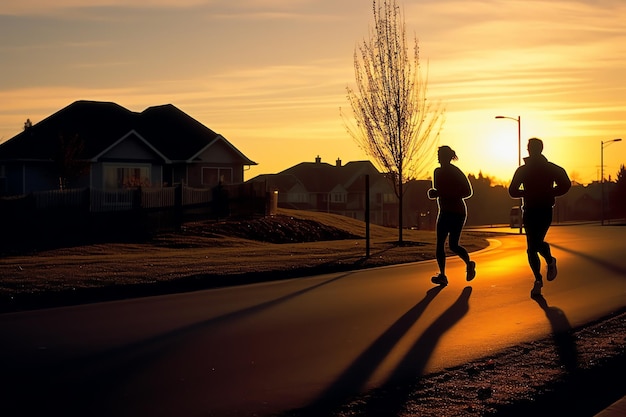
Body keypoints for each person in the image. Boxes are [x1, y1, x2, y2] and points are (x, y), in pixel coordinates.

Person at [509, 137, 571, 297]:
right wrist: (526, 193)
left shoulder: (551, 168)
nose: (530, 150)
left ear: (539, 149)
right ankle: (538, 280)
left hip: (544, 210)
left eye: (532, 147)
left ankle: (550, 260)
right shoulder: (522, 170)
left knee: (535, 243)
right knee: (531, 249)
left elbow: (566, 184)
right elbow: (512, 190)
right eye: (529, 147)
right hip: (529, 210)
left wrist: (550, 192)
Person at [427, 145, 476, 286]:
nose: (439, 157)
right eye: (438, 155)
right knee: (439, 245)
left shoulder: (456, 172)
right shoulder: (437, 172)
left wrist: (446, 194)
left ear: (448, 157)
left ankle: (469, 264)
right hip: (444, 211)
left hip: (457, 212)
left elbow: (468, 192)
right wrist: (434, 193)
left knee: (454, 245)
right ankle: (442, 275)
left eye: (441, 155)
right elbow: (439, 190)